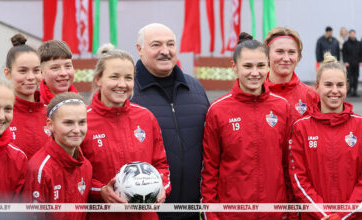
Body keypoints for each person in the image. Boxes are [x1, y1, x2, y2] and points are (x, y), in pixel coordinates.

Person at [201, 33, 291, 220]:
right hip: (232, 215)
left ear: (268, 65)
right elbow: (210, 169)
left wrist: (289, 210)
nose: (255, 72)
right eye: (248, 66)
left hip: (273, 213)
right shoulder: (218, 110)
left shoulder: (282, 107)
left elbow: (288, 164)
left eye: (260, 66)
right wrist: (211, 213)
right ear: (234, 67)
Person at [81, 44, 170, 220]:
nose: (122, 84)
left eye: (128, 78)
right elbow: (74, 175)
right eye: (114, 77)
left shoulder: (146, 117)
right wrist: (101, 191)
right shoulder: (82, 121)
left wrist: (163, 188)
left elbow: (161, 165)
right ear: (98, 79)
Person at [131, 23, 209, 220]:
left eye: (170, 44)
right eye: (156, 45)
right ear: (140, 49)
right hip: (146, 212)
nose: (165, 51)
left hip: (192, 211)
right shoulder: (127, 92)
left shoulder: (196, 89)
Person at [289, 52, 362, 220]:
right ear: (317, 87)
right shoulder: (301, 128)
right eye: (328, 85)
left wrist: (343, 215)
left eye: (340, 85)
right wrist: (324, 215)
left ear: (347, 87)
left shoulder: (360, 125)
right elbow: (298, 178)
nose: (334, 91)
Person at [23, 92, 92, 220]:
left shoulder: (86, 166)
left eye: (82, 122)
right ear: (50, 125)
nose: (77, 130)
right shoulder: (41, 170)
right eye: (68, 123)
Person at [4, 33, 50, 158]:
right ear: (7, 73)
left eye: (36, 70)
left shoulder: (51, 113)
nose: (30, 77)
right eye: (23, 71)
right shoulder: (0, 115)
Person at [264, 26, 319, 122]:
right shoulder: (255, 93)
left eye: (291, 52)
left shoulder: (311, 96)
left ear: (299, 57)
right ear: (267, 55)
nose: (286, 58)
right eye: (279, 52)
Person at [38, 40, 78, 104]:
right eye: (55, 68)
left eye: (68, 66)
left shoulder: (83, 108)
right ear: (41, 73)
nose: (63, 73)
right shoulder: (34, 108)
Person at [343, 29, 362, 97]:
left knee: (356, 77)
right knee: (349, 77)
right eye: (351, 33)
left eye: (354, 33)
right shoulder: (346, 43)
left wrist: (360, 61)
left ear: (355, 34)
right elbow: (344, 53)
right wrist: (345, 61)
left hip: (356, 63)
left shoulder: (359, 43)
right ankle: (349, 90)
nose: (352, 35)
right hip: (349, 64)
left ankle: (355, 90)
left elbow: (360, 53)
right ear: (349, 34)